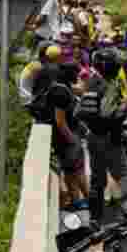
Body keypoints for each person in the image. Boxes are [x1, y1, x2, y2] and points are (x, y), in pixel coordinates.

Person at [79, 49, 127, 223]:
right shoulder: (108, 86)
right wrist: (125, 106)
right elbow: (109, 114)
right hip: (109, 138)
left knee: (98, 180)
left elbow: (81, 111)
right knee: (125, 177)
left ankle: (96, 219)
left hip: (94, 137)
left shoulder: (91, 82)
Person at [48, 62, 90, 211]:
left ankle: (79, 202)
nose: (78, 77)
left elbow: (81, 89)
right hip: (67, 139)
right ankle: (87, 201)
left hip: (66, 138)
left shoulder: (60, 87)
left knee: (72, 172)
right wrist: (72, 140)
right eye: (76, 74)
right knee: (77, 172)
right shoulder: (60, 92)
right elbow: (60, 121)